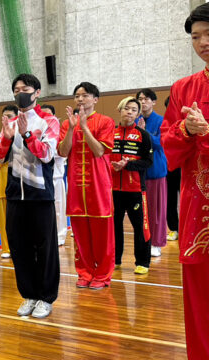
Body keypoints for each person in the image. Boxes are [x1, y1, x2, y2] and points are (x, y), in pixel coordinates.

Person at [160, 4, 209, 358]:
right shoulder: (183, 89)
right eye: (196, 37)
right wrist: (186, 129)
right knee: (200, 296)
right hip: (198, 208)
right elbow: (169, 147)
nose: (202, 42)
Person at [0, 74, 60, 318]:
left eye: (26, 88)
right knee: (19, 249)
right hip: (14, 196)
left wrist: (28, 135)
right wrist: (6, 138)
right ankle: (29, 295)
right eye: (17, 89)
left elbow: (47, 155)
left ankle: (46, 297)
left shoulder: (49, 121)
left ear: (37, 92)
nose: (21, 92)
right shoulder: (9, 123)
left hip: (40, 195)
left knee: (45, 248)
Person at [58, 82, 115, 290]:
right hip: (76, 187)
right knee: (80, 234)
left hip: (99, 187)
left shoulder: (105, 122)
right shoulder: (67, 124)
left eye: (85, 95)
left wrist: (84, 128)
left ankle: (103, 274)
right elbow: (63, 152)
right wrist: (72, 129)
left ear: (95, 99)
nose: (80, 99)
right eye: (77, 96)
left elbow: (100, 151)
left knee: (103, 235)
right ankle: (85, 271)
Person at [111, 97, 153, 274]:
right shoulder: (110, 132)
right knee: (114, 226)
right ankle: (115, 259)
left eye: (134, 110)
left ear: (138, 114)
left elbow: (148, 162)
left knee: (140, 227)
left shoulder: (143, 135)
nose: (129, 112)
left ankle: (142, 262)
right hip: (113, 190)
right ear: (120, 110)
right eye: (126, 108)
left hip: (135, 190)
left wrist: (127, 165)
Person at [135, 89, 168, 257]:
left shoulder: (162, 121)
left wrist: (144, 133)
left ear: (154, 102)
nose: (142, 102)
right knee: (141, 211)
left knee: (157, 210)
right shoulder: (134, 120)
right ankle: (145, 242)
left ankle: (157, 242)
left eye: (146, 99)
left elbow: (159, 144)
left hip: (155, 171)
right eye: (139, 99)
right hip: (138, 172)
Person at [0, 104, 17, 259]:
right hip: (2, 184)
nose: (8, 120)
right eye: (5, 117)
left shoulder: (20, 137)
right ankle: (6, 248)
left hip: (18, 185)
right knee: (4, 219)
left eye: (11, 116)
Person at [41, 104, 68, 246]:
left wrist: (46, 148)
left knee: (58, 208)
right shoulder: (36, 130)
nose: (46, 117)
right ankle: (46, 235)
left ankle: (60, 235)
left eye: (49, 114)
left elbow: (61, 151)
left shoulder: (58, 131)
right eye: (42, 114)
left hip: (56, 177)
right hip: (40, 178)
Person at [164, 95, 181, 242]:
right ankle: (174, 229)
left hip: (187, 169)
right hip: (169, 168)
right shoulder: (165, 125)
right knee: (170, 200)